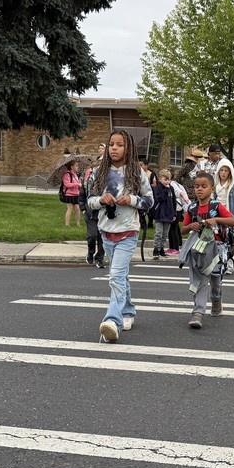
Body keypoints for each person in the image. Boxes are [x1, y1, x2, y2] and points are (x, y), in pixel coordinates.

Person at [86, 130, 155, 343]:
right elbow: (89, 201)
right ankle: (128, 312)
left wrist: (132, 200)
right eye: (111, 144)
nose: (114, 148)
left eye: (120, 144)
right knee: (121, 275)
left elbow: (150, 201)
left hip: (128, 232)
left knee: (115, 276)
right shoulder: (98, 172)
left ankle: (112, 321)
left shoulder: (137, 172)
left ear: (129, 148)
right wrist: (101, 200)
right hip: (106, 232)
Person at [181, 171, 234, 329]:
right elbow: (182, 230)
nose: (199, 189)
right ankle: (198, 312)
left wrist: (216, 220)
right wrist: (190, 226)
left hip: (216, 249)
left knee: (215, 281)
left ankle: (216, 300)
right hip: (198, 249)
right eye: (197, 186)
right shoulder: (192, 208)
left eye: (204, 186)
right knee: (199, 280)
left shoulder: (216, 206)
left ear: (212, 189)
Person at [78, 162, 105, 269]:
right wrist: (83, 209)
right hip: (90, 214)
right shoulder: (86, 184)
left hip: (103, 215)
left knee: (102, 238)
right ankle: (90, 252)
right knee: (92, 235)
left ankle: (100, 258)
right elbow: (81, 197)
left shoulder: (106, 184)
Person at [151, 168, 177, 259]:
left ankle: (161, 248)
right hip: (159, 214)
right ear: (160, 179)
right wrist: (165, 190)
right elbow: (159, 198)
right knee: (159, 232)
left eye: (169, 180)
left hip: (168, 214)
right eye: (165, 180)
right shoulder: (157, 188)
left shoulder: (171, 189)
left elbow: (174, 202)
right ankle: (156, 248)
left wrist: (174, 214)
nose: (167, 182)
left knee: (165, 234)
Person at [168, 173, 190, 256]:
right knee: (173, 228)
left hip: (177, 209)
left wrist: (184, 196)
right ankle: (172, 247)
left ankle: (176, 248)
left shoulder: (173, 184)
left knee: (173, 229)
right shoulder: (172, 184)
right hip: (175, 209)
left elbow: (178, 192)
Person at [60, 160, 82, 227]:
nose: (78, 167)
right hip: (69, 194)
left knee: (77, 209)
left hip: (76, 194)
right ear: (72, 167)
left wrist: (79, 186)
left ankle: (78, 223)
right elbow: (67, 184)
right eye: (76, 165)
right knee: (70, 209)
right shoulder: (67, 174)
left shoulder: (75, 174)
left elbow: (77, 184)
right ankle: (67, 224)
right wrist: (77, 184)